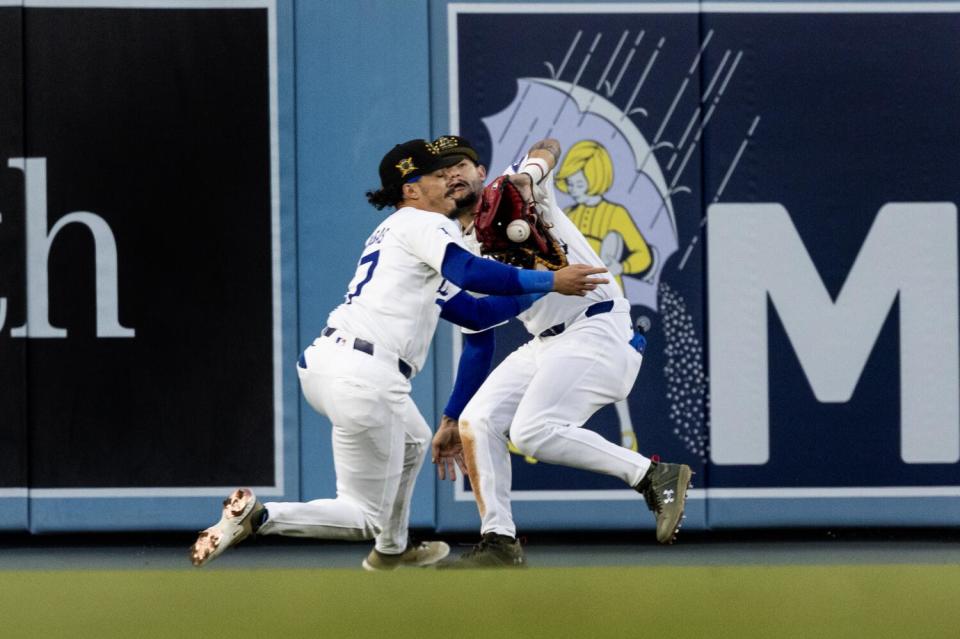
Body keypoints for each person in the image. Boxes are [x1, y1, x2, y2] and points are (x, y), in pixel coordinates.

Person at [189, 138, 608, 570]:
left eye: (451, 172)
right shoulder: (425, 224)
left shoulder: (404, 235)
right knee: (362, 515)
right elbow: (469, 272)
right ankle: (260, 516)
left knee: (413, 439)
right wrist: (547, 282)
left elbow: (475, 313)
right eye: (436, 175)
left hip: (331, 365)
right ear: (411, 189)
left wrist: (451, 416)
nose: (449, 179)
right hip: (366, 376)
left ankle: (393, 550)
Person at [430, 135, 692, 568]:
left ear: (480, 172)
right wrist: (451, 418)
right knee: (479, 420)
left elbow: (547, 145)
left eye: (460, 165)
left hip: (597, 322)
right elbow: (480, 327)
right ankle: (499, 541)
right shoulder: (457, 253)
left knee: (531, 431)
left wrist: (529, 175)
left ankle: (651, 475)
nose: (452, 176)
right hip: (546, 341)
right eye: (441, 173)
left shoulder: (510, 191)